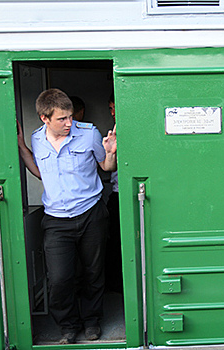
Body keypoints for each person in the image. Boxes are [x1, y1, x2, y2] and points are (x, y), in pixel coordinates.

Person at [18, 88, 117, 344]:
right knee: (60, 278)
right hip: (56, 220)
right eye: (62, 119)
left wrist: (110, 152)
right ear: (44, 118)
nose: (68, 123)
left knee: (93, 273)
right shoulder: (37, 139)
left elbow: (106, 167)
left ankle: (92, 321)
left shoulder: (89, 134)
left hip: (90, 213)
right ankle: (68, 326)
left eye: (70, 116)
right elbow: (41, 173)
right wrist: (22, 148)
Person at [105, 93, 123, 293]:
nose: (113, 113)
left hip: (132, 194)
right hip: (117, 194)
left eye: (116, 107)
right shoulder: (112, 133)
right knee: (114, 243)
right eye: (110, 108)